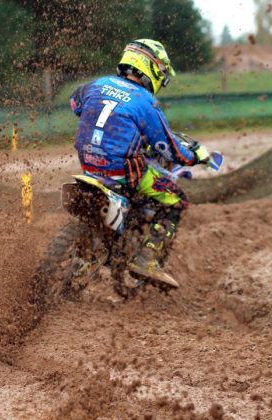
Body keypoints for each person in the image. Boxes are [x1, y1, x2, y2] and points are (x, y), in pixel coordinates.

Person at [69, 39, 212, 287]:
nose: (162, 79)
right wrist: (195, 155)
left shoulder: (96, 84)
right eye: (162, 72)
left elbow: (75, 104)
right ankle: (146, 259)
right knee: (176, 200)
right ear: (152, 67)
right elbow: (169, 148)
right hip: (123, 171)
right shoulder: (145, 102)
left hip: (89, 165)